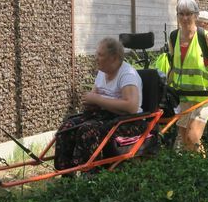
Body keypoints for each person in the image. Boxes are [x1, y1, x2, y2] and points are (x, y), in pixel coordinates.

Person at [54, 38, 145, 171]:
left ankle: (91, 176)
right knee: (66, 128)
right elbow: (94, 97)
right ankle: (66, 175)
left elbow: (131, 107)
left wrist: (97, 99)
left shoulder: (127, 74)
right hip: (104, 116)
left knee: (88, 130)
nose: (96, 58)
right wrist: (90, 102)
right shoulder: (103, 72)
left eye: (100, 55)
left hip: (128, 121)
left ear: (113, 58)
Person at [169, 0, 208, 152]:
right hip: (183, 97)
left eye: (189, 14)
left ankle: (203, 172)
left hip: (205, 97)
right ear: (177, 16)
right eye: (181, 14)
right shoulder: (173, 37)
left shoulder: (205, 37)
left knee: (193, 137)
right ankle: (197, 170)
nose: (185, 18)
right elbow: (173, 67)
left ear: (196, 16)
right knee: (185, 142)